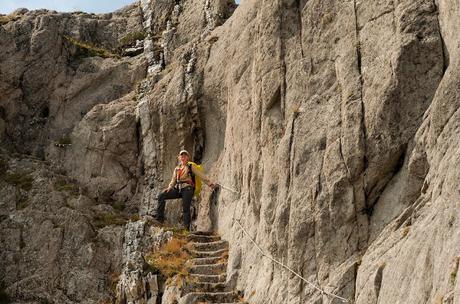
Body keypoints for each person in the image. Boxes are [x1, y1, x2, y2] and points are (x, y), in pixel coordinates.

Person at [154, 149, 215, 230]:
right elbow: (173, 180)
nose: (183, 157)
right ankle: (159, 219)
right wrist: (169, 188)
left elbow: (200, 174)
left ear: (187, 157)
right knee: (161, 196)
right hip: (178, 189)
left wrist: (209, 182)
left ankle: (186, 229)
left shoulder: (190, 166)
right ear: (179, 157)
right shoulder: (177, 168)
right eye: (181, 155)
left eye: (185, 155)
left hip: (187, 189)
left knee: (185, 208)